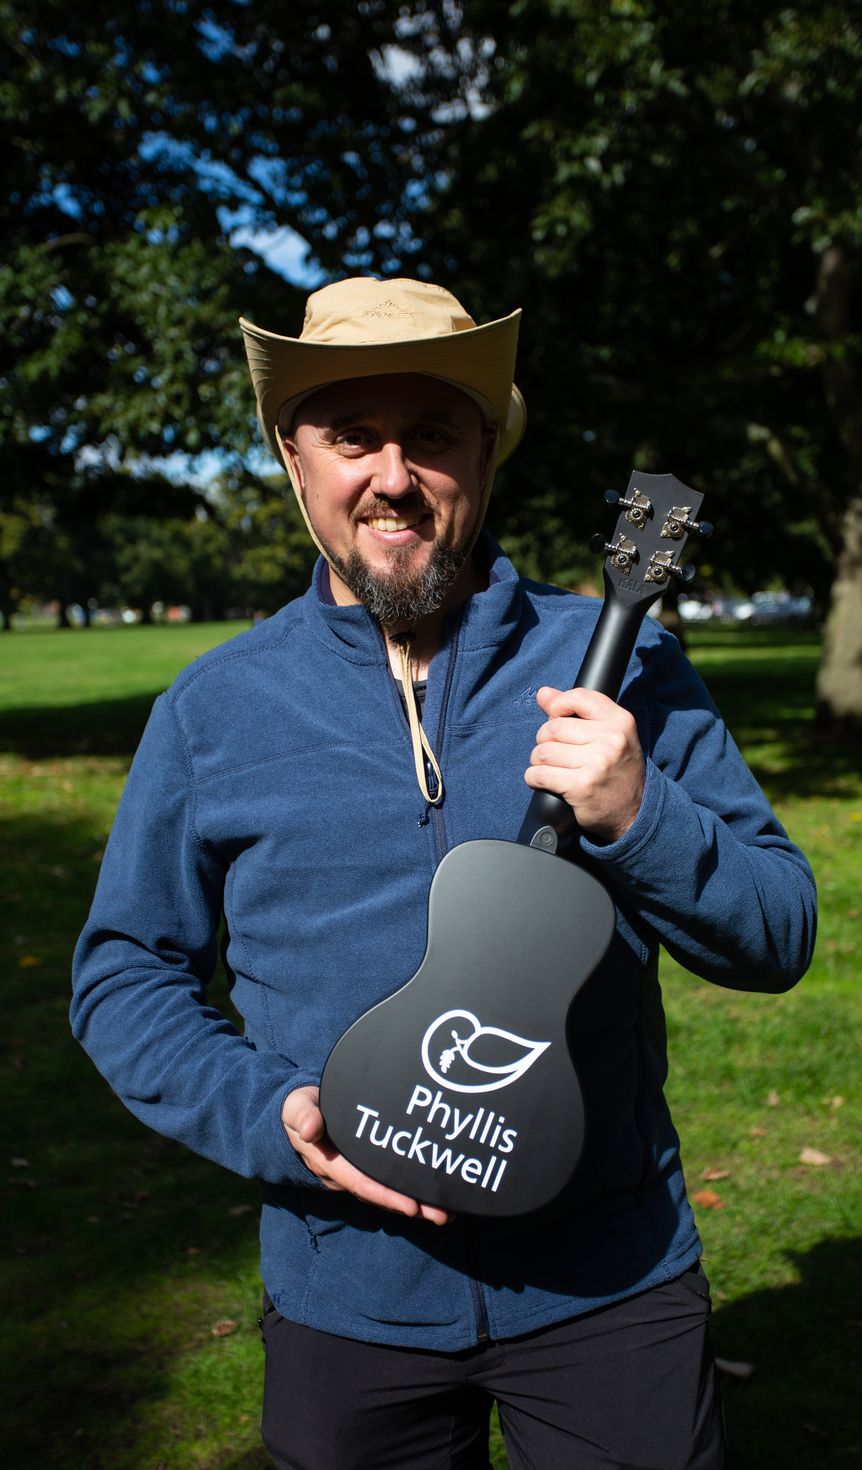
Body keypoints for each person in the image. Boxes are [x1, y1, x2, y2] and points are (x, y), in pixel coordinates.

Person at [71, 276, 816, 1470]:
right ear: (293, 457)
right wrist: (273, 1118)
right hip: (344, 1293)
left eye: (430, 434)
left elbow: (776, 934)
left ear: (484, 451)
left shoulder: (625, 662)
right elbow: (126, 977)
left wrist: (639, 813)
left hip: (607, 1283)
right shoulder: (213, 711)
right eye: (350, 436)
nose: (392, 474)